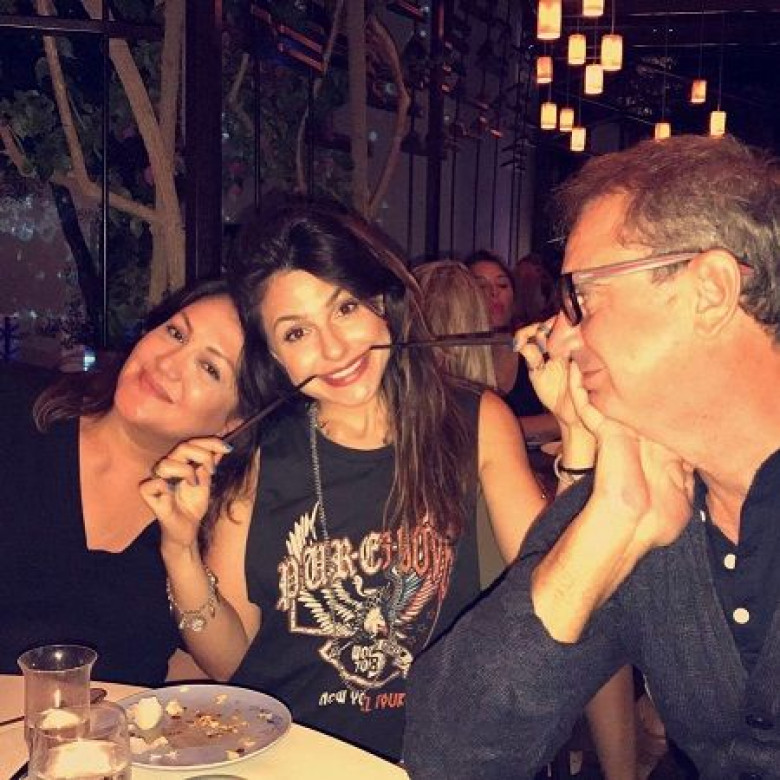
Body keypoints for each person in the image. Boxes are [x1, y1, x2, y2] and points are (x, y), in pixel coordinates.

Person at [403, 133, 780, 778]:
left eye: (584, 296)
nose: (560, 335)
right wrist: (611, 523)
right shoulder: (633, 492)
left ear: (711, 291)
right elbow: (448, 751)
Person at [141, 203, 552, 762]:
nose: (333, 349)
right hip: (290, 756)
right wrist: (179, 548)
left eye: (346, 307)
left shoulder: (476, 422)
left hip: (431, 758)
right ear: (276, 355)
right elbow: (231, 662)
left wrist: (579, 438)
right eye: (297, 332)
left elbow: (549, 597)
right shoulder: (260, 453)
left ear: (381, 302)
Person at [0, 278, 250, 686]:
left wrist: (181, 549)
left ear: (233, 423)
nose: (167, 363)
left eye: (209, 368)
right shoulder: (14, 410)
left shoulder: (212, 508)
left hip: (121, 727)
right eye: (175, 332)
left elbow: (227, 669)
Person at [465, 249, 560, 444]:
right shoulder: (455, 357)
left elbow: (561, 420)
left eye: (502, 285)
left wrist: (500, 428)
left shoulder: (532, 349)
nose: (494, 293)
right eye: (481, 286)